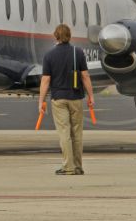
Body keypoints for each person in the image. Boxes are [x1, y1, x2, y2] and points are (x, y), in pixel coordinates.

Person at [38, 24, 95, 175]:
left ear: (55, 36)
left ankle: (68, 167)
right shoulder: (78, 53)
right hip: (76, 98)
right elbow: (85, 76)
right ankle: (78, 166)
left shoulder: (49, 55)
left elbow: (45, 80)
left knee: (64, 132)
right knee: (77, 133)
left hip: (58, 100)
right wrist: (91, 96)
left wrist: (41, 101)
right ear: (69, 36)